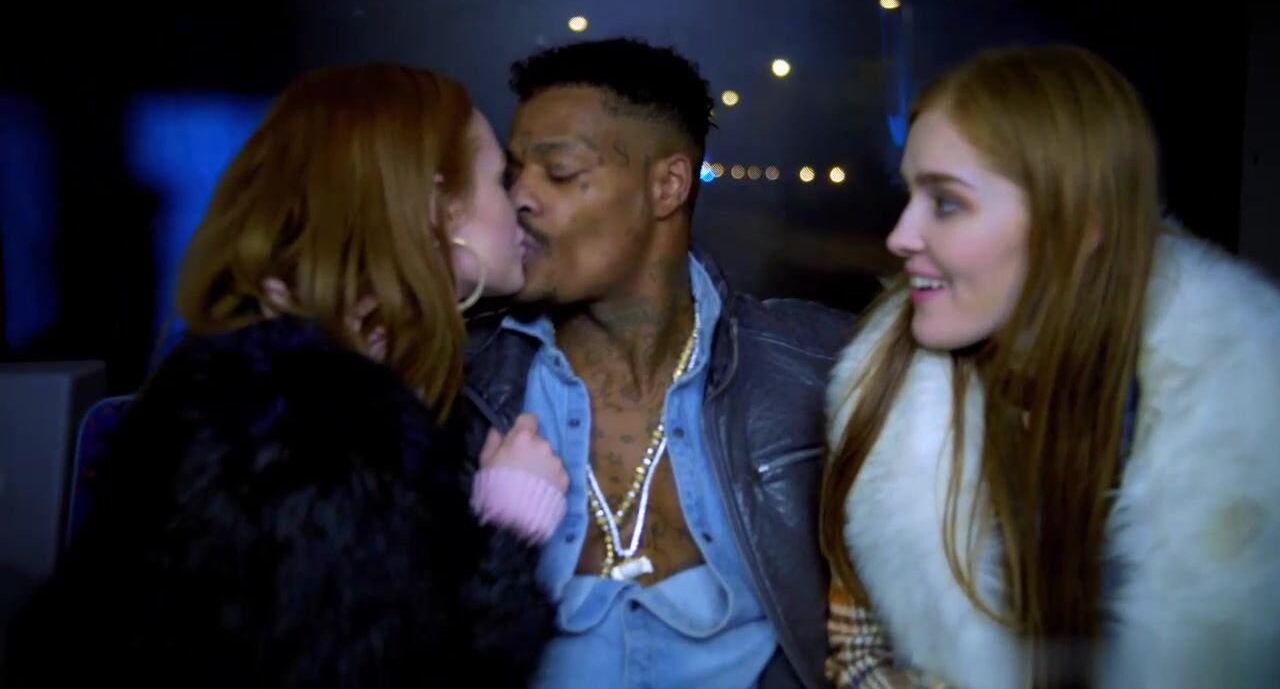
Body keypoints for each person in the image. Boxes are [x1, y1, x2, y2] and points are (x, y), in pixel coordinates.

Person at [6, 64, 569, 687]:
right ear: (441, 207)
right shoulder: (312, 432)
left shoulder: (257, 384)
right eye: (498, 179)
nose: (519, 202)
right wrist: (509, 531)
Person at [821, 45, 1280, 688]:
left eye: (946, 203)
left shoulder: (1248, 418)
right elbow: (858, 654)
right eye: (909, 195)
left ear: (1079, 227)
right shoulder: (883, 393)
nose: (900, 235)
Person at [463, 37, 853, 688]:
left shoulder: (818, 370)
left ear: (667, 185)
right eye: (513, 174)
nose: (520, 198)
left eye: (558, 171)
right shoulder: (459, 388)